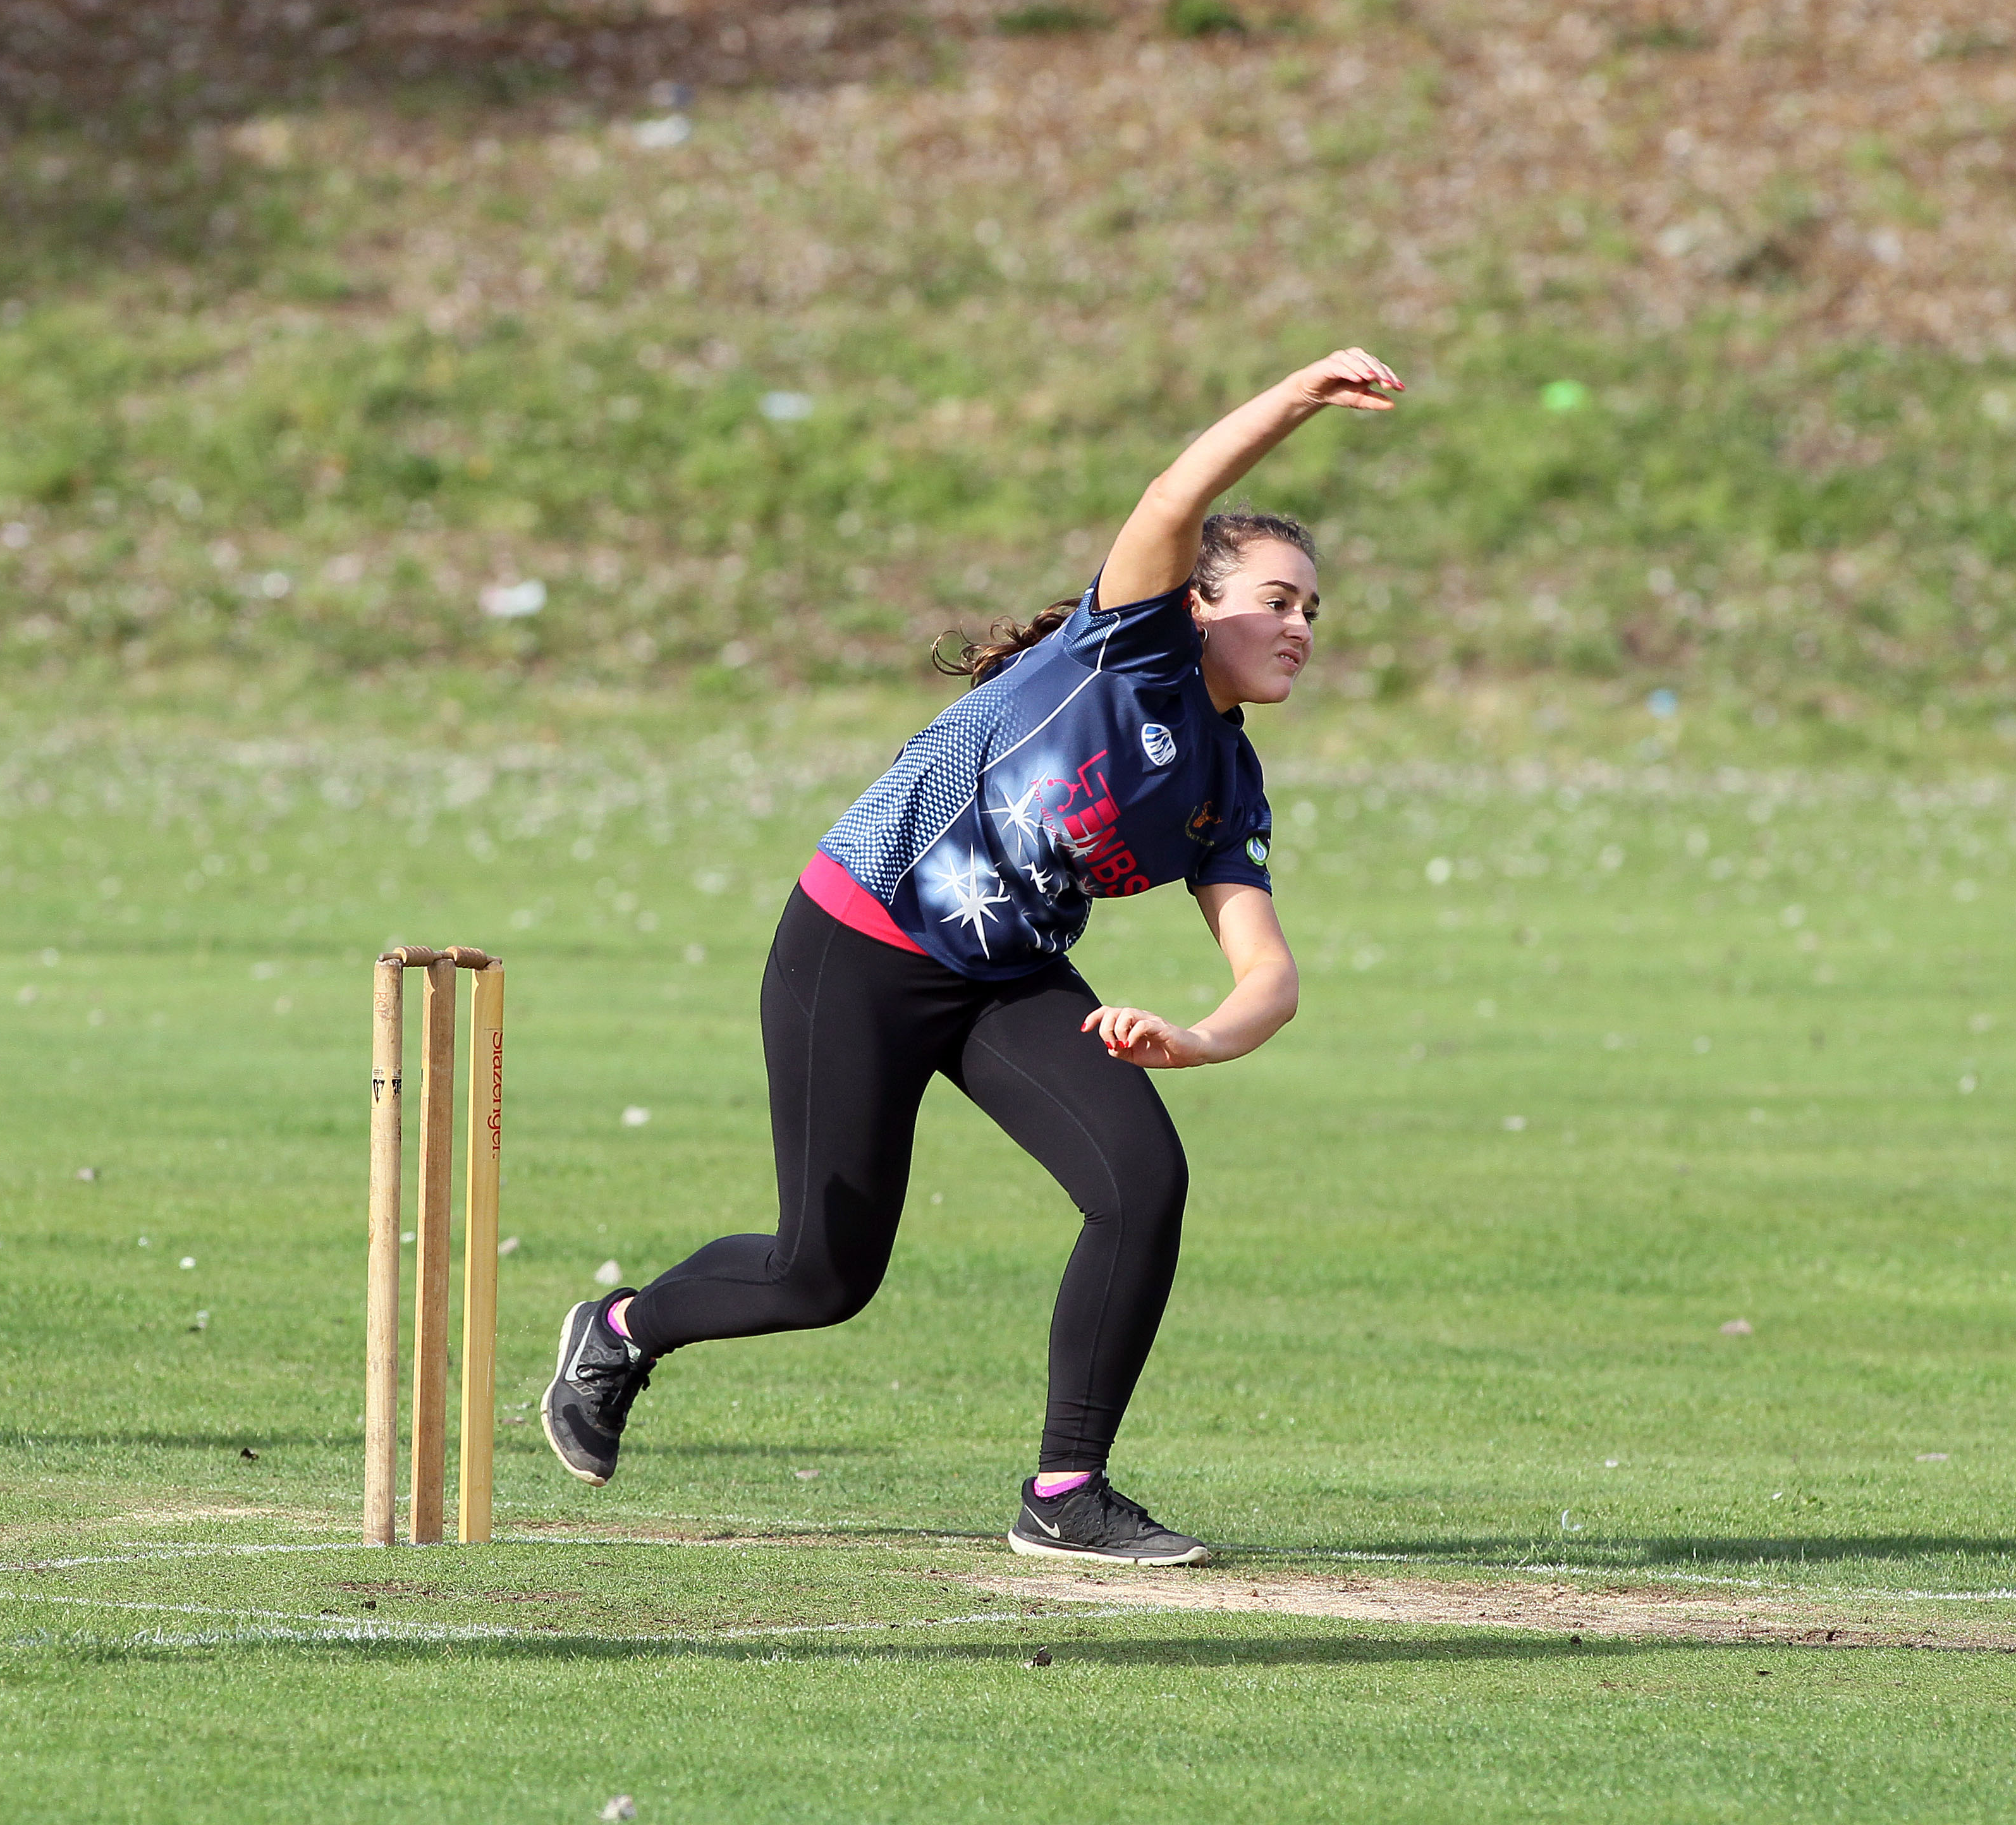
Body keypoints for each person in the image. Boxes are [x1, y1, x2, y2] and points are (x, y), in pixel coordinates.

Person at [542, 347, 1402, 1565]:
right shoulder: (1128, 646)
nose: (1301, 626)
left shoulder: (1229, 777)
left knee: (1140, 1181)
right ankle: (624, 1327)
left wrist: (1197, 1036)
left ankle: (1065, 1491)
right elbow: (1174, 495)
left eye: (1314, 609)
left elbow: (1270, 973)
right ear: (1198, 604)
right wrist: (1299, 396)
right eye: (1277, 598)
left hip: (1006, 979)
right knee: (821, 1273)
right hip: (860, 940)